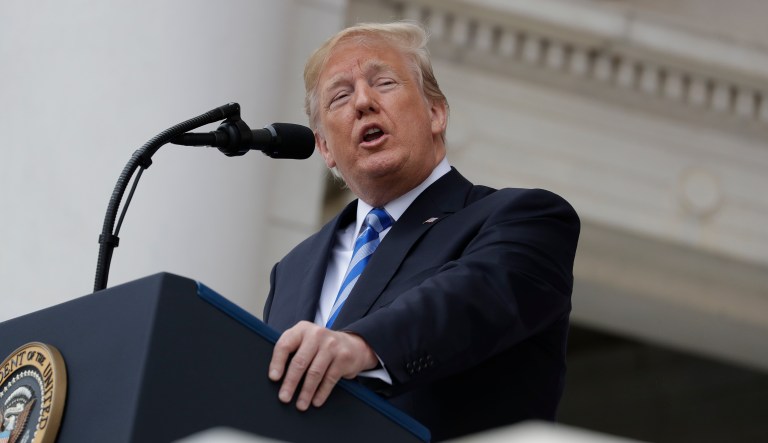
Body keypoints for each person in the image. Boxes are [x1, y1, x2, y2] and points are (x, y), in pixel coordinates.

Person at [263, 21, 580, 441]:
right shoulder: (292, 269)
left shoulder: (525, 217)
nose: (362, 102)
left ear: (436, 112)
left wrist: (361, 345)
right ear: (324, 148)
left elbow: (469, 299)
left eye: (384, 82)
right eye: (340, 95)